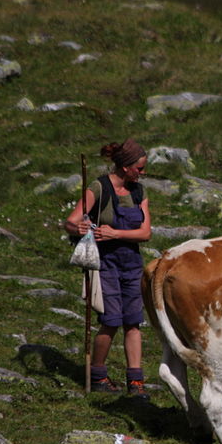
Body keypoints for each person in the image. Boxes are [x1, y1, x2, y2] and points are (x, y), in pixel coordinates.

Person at [64, 138, 151, 398]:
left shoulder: (139, 192)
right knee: (111, 321)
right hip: (104, 264)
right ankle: (98, 373)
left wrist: (116, 233)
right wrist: (76, 227)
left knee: (133, 321)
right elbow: (72, 221)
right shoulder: (99, 187)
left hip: (132, 264)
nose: (143, 173)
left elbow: (145, 233)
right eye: (140, 168)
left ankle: (135, 381)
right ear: (125, 167)